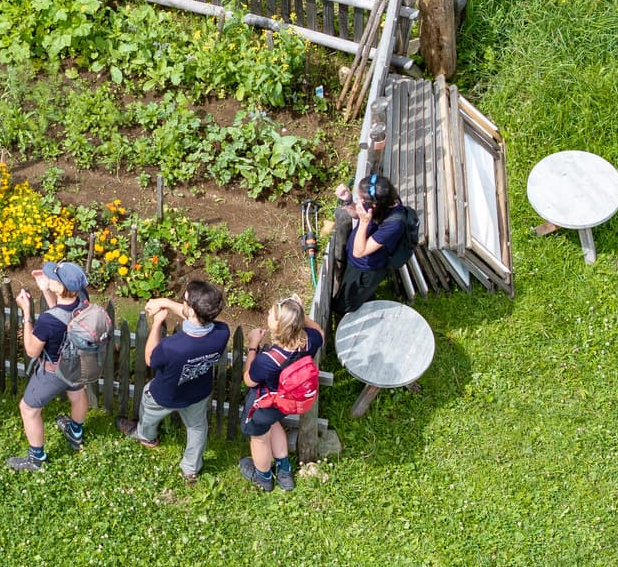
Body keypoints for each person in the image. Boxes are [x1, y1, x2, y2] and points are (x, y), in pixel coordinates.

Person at [115, 281, 231, 484]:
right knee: (197, 428)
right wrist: (166, 303)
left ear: (192, 311)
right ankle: (191, 469)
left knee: (149, 412)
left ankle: (147, 436)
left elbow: (150, 359)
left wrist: (158, 323)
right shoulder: (222, 333)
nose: (182, 303)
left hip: (165, 395)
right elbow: (194, 315)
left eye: (184, 301)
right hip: (198, 392)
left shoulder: (173, 346)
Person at [6, 261, 92, 472]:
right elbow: (62, 313)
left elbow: (32, 351)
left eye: (52, 278)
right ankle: (75, 433)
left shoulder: (47, 321)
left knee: (28, 409)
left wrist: (26, 313)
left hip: (55, 371)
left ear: (60, 287)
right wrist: (46, 288)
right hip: (79, 362)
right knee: (78, 393)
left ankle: (37, 459)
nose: (48, 278)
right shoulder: (83, 299)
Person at [239, 294, 324, 492]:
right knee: (273, 422)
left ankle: (264, 477)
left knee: (259, 438)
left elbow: (248, 379)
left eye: (272, 314)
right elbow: (319, 330)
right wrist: (299, 316)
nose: (268, 313)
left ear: (278, 327)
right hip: (287, 401)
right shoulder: (310, 341)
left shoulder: (269, 360)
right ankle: (284, 471)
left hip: (264, 404)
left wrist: (252, 346)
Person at [334, 172, 408, 317]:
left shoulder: (394, 223)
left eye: (361, 199)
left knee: (345, 304)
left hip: (366, 270)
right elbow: (356, 213)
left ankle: (347, 315)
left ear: (374, 204)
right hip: (356, 264)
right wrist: (348, 201)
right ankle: (363, 298)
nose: (359, 202)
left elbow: (359, 252)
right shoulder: (384, 200)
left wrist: (364, 221)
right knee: (353, 293)